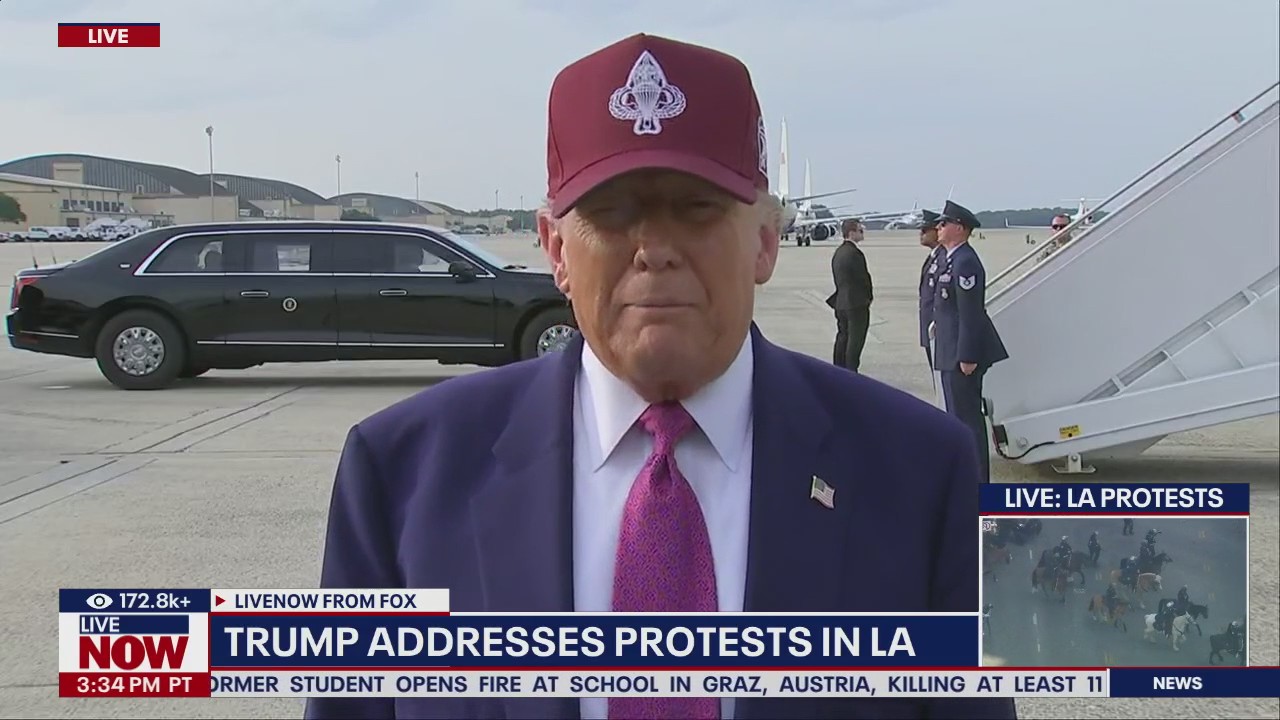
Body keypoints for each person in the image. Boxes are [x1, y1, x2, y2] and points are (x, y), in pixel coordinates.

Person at [306, 33, 1014, 720]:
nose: (654, 249)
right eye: (612, 213)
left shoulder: (918, 472)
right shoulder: (404, 474)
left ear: (765, 241)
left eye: (697, 209)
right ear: (555, 247)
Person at [930, 200, 1009, 482]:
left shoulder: (965, 262)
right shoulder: (951, 258)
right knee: (956, 417)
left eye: (943, 223)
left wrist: (968, 355)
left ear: (959, 228)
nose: (938, 228)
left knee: (968, 421)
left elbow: (971, 312)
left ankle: (977, 481)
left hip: (961, 355)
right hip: (950, 350)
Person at [827, 218, 873, 372]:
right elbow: (863, 278)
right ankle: (851, 371)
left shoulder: (839, 253)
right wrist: (868, 297)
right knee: (855, 341)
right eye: (860, 230)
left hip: (841, 302)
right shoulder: (854, 254)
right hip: (856, 303)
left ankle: (839, 369)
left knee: (842, 338)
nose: (862, 233)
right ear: (851, 233)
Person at [917, 209, 943, 368]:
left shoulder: (944, 258)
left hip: (938, 330)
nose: (921, 234)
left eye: (925, 230)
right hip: (930, 329)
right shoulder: (933, 257)